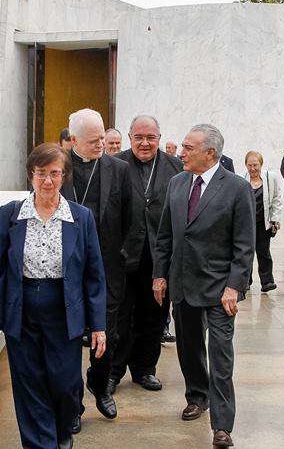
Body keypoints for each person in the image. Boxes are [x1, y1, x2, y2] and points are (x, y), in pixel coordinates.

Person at [0, 143, 107, 449]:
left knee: (65, 383)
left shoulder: (81, 217)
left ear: (63, 177)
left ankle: (62, 431)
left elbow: (94, 275)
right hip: (21, 310)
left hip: (64, 309)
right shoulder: (10, 215)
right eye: (40, 174)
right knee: (29, 383)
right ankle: (42, 444)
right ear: (30, 175)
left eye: (54, 173)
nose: (47, 181)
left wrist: (98, 324)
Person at [153, 124, 254, 448]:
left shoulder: (237, 188)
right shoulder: (177, 184)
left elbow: (244, 244)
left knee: (221, 356)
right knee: (190, 348)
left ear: (210, 153)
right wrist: (160, 275)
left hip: (220, 289)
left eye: (188, 148)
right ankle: (197, 395)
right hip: (183, 283)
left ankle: (222, 425)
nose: (181, 153)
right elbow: (165, 235)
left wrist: (234, 286)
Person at [60, 109, 132, 425]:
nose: (100, 144)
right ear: (73, 140)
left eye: (103, 137)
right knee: (70, 339)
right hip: (66, 272)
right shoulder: (57, 170)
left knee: (109, 335)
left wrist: (123, 255)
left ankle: (101, 386)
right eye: (93, 140)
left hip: (107, 269)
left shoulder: (119, 169)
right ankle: (73, 403)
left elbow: (132, 220)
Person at [111, 115, 183, 394]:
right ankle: (114, 371)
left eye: (150, 137)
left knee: (154, 316)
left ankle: (144, 369)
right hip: (123, 254)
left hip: (158, 257)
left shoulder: (175, 167)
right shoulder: (116, 166)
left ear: (159, 139)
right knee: (120, 318)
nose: (144, 143)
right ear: (130, 138)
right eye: (139, 137)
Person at [244, 151, 283, 292]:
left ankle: (267, 282)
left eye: (255, 165)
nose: (253, 168)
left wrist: (275, 219)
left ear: (261, 164)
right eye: (250, 165)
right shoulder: (242, 179)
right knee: (245, 253)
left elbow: (277, 199)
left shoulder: (270, 178)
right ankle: (245, 281)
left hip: (263, 223)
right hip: (246, 225)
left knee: (263, 252)